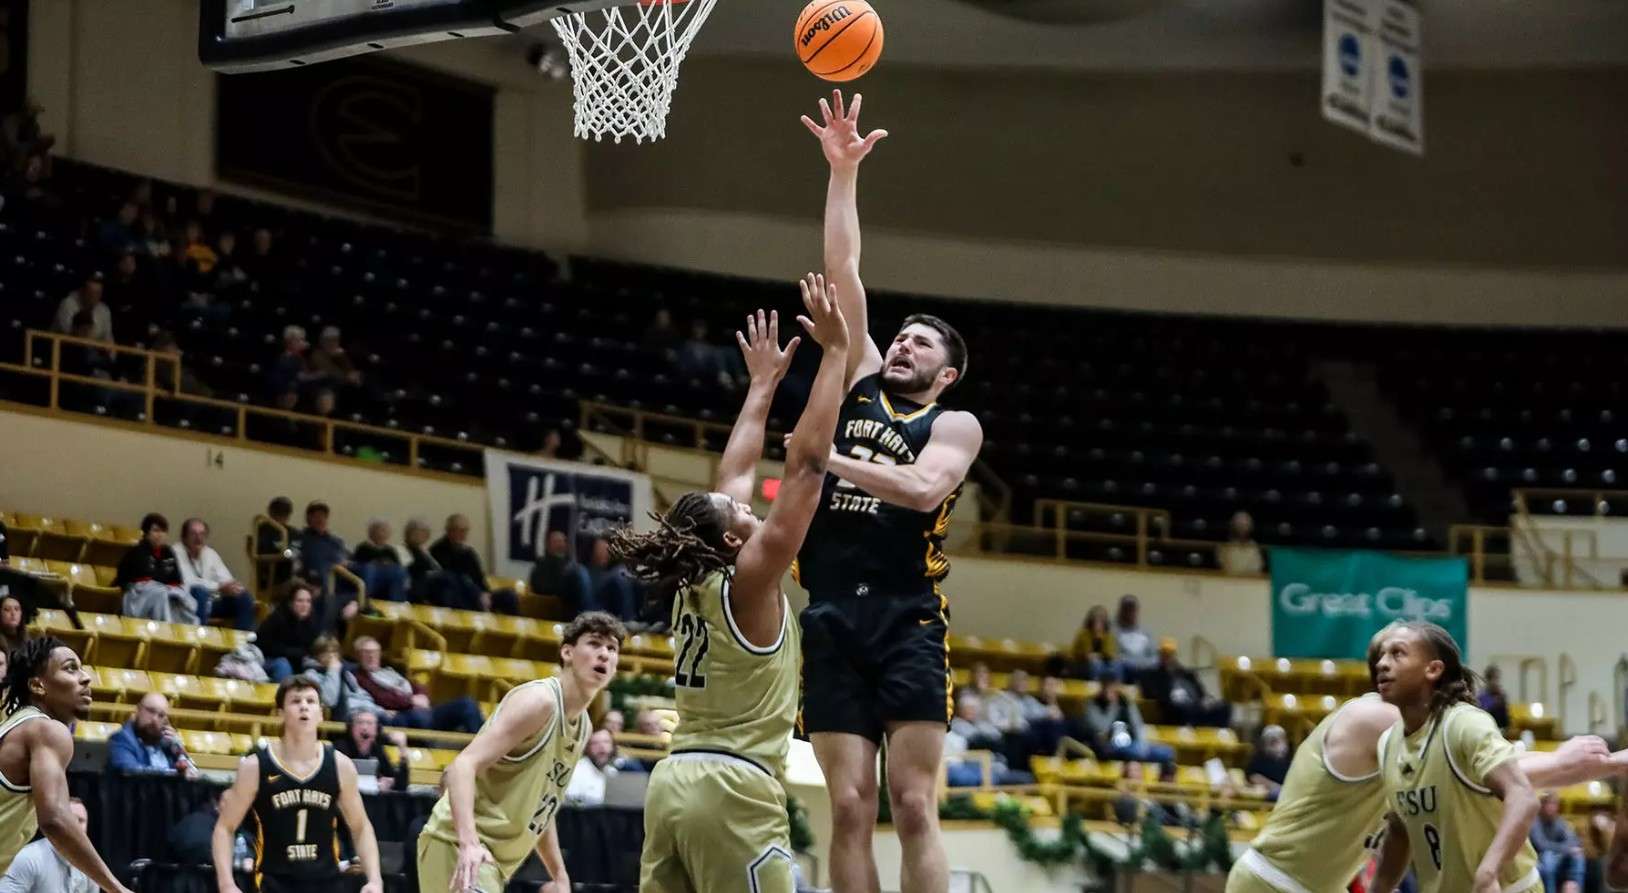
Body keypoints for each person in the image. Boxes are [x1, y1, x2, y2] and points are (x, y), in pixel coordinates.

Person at [798, 90, 984, 893]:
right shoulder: (864, 380)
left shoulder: (957, 422)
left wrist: (824, 460)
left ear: (943, 372)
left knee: (911, 804)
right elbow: (844, 272)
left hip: (908, 613)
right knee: (846, 806)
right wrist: (843, 174)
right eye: (900, 333)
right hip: (832, 607)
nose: (902, 341)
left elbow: (919, 489)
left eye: (921, 341)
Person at [612, 282, 850, 893]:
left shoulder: (701, 575)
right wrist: (835, 357)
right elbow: (807, 468)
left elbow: (734, 474)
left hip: (672, 786)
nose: (748, 508)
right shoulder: (751, 578)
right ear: (733, 542)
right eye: (739, 513)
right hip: (733, 789)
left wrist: (763, 387)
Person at [1227, 629, 1622, 893]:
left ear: (1433, 669)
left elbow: (1481, 773)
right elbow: (1484, 772)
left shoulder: (1432, 730)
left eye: (1400, 653)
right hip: (1276, 882)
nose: (1388, 661)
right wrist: (1572, 761)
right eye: (1388, 653)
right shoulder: (1379, 723)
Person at [416, 611, 626, 893]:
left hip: (494, 863)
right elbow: (462, 766)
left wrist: (559, 875)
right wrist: (468, 845)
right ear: (567, 652)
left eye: (612, 649)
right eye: (594, 644)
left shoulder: (584, 727)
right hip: (458, 847)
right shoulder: (540, 702)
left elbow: (541, 806)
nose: (604, 654)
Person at [1369, 621, 1543, 893]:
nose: (1382, 663)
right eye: (1381, 655)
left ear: (1433, 669)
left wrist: (1488, 871)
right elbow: (1401, 829)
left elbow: (1523, 797)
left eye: (1397, 653)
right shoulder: (1387, 744)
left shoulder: (1462, 724)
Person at [212, 677, 384, 893]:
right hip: (273, 883)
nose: (304, 706)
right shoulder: (256, 766)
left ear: (321, 714)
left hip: (326, 882)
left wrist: (375, 880)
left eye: (311, 701)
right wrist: (226, 883)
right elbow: (224, 828)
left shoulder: (340, 765)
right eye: (295, 701)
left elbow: (360, 827)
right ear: (281, 714)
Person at [0, 637, 132, 890]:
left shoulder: (15, 724)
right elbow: (55, 819)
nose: (86, 678)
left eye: (82, 668)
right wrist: (117, 888)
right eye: (70, 668)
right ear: (38, 685)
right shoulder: (47, 731)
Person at [350, 637, 482, 733]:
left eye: (375, 652)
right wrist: (410, 701)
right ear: (358, 655)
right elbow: (381, 697)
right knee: (418, 717)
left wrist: (421, 695)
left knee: (467, 703)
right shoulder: (360, 677)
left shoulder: (390, 671)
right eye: (367, 652)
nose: (372, 656)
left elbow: (415, 685)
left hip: (424, 711)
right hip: (404, 715)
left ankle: (483, 749)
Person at [173, 517, 257, 630]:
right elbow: (187, 581)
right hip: (188, 603)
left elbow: (226, 579)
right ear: (184, 537)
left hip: (211, 603)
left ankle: (242, 643)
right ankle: (199, 640)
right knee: (200, 592)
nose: (198, 538)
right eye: (193, 534)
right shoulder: (175, 552)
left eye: (202, 534)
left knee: (244, 597)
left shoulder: (210, 553)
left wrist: (234, 588)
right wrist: (218, 587)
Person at [113, 513, 198, 624]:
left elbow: (176, 579)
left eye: (163, 531)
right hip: (137, 595)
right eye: (156, 531)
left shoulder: (168, 552)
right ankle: (165, 628)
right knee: (160, 593)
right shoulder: (137, 551)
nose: (160, 535)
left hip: (164, 590)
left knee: (184, 596)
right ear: (147, 533)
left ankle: (189, 630)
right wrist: (163, 584)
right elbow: (143, 578)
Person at [1083, 672, 1174, 775]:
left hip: (1133, 744)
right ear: (1103, 687)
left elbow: (1138, 725)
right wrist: (1113, 706)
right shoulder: (1092, 704)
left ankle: (1163, 786)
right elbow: (1102, 728)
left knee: (1167, 752)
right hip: (1109, 746)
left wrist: (1142, 744)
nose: (1113, 690)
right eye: (1109, 686)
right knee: (1134, 751)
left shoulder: (1125, 701)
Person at [428, 515, 517, 614]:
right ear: (449, 531)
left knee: (509, 595)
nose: (463, 534)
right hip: (458, 597)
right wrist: (478, 594)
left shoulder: (468, 552)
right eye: (460, 530)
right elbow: (454, 578)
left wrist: (485, 594)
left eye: (466, 531)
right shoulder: (438, 551)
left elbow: (479, 578)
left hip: (478, 595)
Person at [0, 797, 90, 892]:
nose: (76, 825)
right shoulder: (27, 858)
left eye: (81, 820)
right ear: (58, 822)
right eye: (70, 819)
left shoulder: (90, 866)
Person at [1142, 637, 1232, 728]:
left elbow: (1201, 693)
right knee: (1181, 708)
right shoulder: (1152, 675)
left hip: (1194, 705)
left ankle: (1220, 732)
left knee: (1224, 706)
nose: (1167, 658)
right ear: (1160, 655)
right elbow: (1153, 694)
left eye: (1170, 654)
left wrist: (1207, 700)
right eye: (1165, 654)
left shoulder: (1187, 674)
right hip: (1173, 708)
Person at [107, 692, 196, 778]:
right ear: (138, 710)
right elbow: (130, 772)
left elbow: (193, 773)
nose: (154, 719)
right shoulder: (121, 739)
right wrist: (175, 775)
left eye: (161, 715)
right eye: (151, 711)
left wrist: (178, 746)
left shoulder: (168, 744)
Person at [332, 710, 409, 793]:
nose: (364, 727)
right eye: (359, 723)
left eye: (369, 723)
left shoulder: (377, 749)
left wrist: (402, 749)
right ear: (351, 728)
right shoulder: (339, 747)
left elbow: (401, 786)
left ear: (377, 730)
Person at [257, 585, 323, 683]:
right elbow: (264, 646)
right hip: (270, 660)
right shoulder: (277, 618)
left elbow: (315, 647)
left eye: (308, 601)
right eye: (300, 601)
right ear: (290, 603)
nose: (305, 605)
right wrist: (296, 653)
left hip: (300, 662)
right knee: (283, 665)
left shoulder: (313, 622)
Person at [1529, 793, 1584, 893]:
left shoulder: (1559, 822)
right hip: (1538, 858)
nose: (1551, 807)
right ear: (1541, 805)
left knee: (1578, 856)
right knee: (1548, 858)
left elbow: (1573, 840)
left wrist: (1568, 850)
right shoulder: (1534, 822)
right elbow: (1541, 845)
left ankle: (1574, 887)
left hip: (1557, 857)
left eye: (1554, 804)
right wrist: (1566, 849)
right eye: (1548, 803)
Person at [352, 519, 409, 603]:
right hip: (369, 576)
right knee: (370, 568)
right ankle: (365, 601)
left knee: (400, 571)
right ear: (371, 532)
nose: (383, 534)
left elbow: (396, 565)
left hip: (386, 577)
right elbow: (361, 562)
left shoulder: (390, 550)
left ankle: (397, 603)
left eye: (386, 531)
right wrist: (380, 563)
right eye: (380, 530)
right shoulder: (363, 547)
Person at [1067, 605, 1120, 681]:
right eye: (1096, 621)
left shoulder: (1108, 635)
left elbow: (1109, 654)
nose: (1098, 624)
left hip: (1102, 662)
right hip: (1080, 663)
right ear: (1090, 622)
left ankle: (1115, 687)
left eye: (1101, 621)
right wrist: (1095, 637)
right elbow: (1087, 655)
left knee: (1117, 664)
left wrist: (1100, 638)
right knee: (1096, 663)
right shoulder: (1083, 634)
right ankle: (1095, 685)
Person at [1112, 594, 1159, 680]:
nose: (1130, 613)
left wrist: (1143, 665)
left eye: (1133, 609)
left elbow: (1154, 657)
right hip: (1125, 671)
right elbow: (1116, 657)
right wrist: (1135, 664)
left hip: (1146, 670)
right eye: (1127, 609)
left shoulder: (1146, 632)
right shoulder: (1113, 632)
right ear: (1121, 611)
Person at [1245, 725, 1292, 800]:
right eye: (1274, 741)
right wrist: (1273, 785)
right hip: (1268, 792)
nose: (1280, 744)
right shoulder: (1259, 759)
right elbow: (1253, 777)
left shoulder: (1287, 760)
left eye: (1282, 740)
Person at [1219, 511, 1266, 576]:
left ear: (1251, 527)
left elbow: (1257, 568)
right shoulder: (1224, 547)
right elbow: (1226, 567)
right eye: (1240, 524)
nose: (1242, 528)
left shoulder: (1255, 546)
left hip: (1251, 582)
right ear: (1232, 525)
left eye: (1245, 525)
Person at [1480, 665, 1511, 731]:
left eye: (1497, 679)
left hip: (1501, 730)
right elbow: (1483, 714)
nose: (1496, 682)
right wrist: (1495, 703)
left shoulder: (1501, 696)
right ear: (1487, 680)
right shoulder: (1482, 696)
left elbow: (1506, 720)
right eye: (1494, 678)